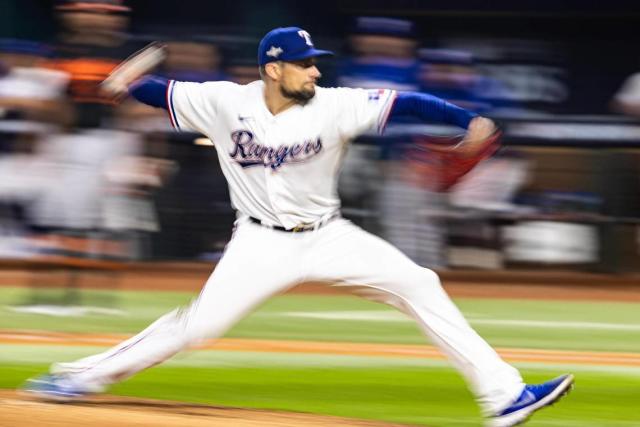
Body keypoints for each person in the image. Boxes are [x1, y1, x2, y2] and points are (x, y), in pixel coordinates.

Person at [24, 27, 573, 427]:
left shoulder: (335, 105)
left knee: (419, 283)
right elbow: (159, 91)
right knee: (197, 328)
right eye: (305, 63)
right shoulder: (222, 101)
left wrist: (465, 120)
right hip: (259, 242)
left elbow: (406, 103)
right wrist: (125, 85)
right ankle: (78, 375)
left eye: (315, 62)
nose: (315, 70)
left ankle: (503, 397)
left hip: (329, 236)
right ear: (272, 68)